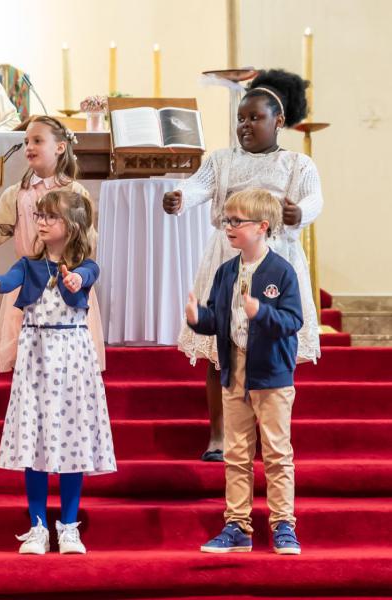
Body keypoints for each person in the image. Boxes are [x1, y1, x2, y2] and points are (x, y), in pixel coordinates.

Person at [164, 70, 322, 463]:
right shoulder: (222, 160)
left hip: (275, 260)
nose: (245, 125)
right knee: (222, 349)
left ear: (278, 122)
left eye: (255, 118)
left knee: (272, 347)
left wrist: (298, 210)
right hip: (227, 259)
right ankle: (219, 436)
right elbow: (198, 186)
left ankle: (271, 435)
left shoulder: (297, 164)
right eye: (241, 118)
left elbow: (314, 199)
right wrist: (181, 197)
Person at [0, 189, 116, 556]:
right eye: (38, 216)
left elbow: (84, 276)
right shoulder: (29, 265)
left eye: (49, 217)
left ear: (71, 226)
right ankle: (38, 525)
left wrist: (75, 281)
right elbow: (10, 281)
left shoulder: (87, 264)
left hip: (72, 360)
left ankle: (69, 526)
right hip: (36, 360)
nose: (40, 222)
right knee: (34, 442)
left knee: (72, 443)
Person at [185, 189, 303, 555]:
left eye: (237, 221)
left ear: (262, 227)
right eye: (227, 221)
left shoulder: (281, 272)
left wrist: (260, 313)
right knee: (236, 453)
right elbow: (218, 320)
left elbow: (293, 320)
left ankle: (284, 524)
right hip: (235, 370)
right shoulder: (226, 272)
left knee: (276, 453)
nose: (229, 227)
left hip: (272, 375)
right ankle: (237, 525)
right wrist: (198, 320)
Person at [0, 115, 105, 373]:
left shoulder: (75, 193)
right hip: (29, 280)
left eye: (37, 140)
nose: (29, 147)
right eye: (26, 141)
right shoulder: (16, 194)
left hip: (67, 281)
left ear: (60, 147)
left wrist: (77, 264)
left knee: (69, 360)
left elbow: (89, 242)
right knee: (29, 360)